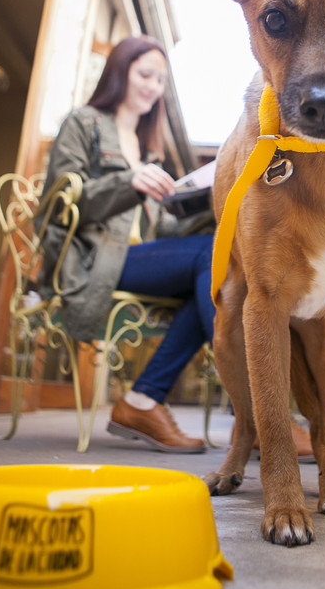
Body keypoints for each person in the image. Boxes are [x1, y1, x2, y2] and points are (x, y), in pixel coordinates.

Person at [38, 35, 213, 453]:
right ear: (120, 70)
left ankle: (142, 399)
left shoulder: (149, 151)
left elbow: (162, 235)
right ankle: (258, 410)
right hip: (93, 258)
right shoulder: (84, 123)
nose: (153, 86)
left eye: (160, 80)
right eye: (145, 74)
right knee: (212, 257)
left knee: (213, 266)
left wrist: (212, 203)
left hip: (133, 257)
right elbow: (62, 201)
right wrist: (127, 181)